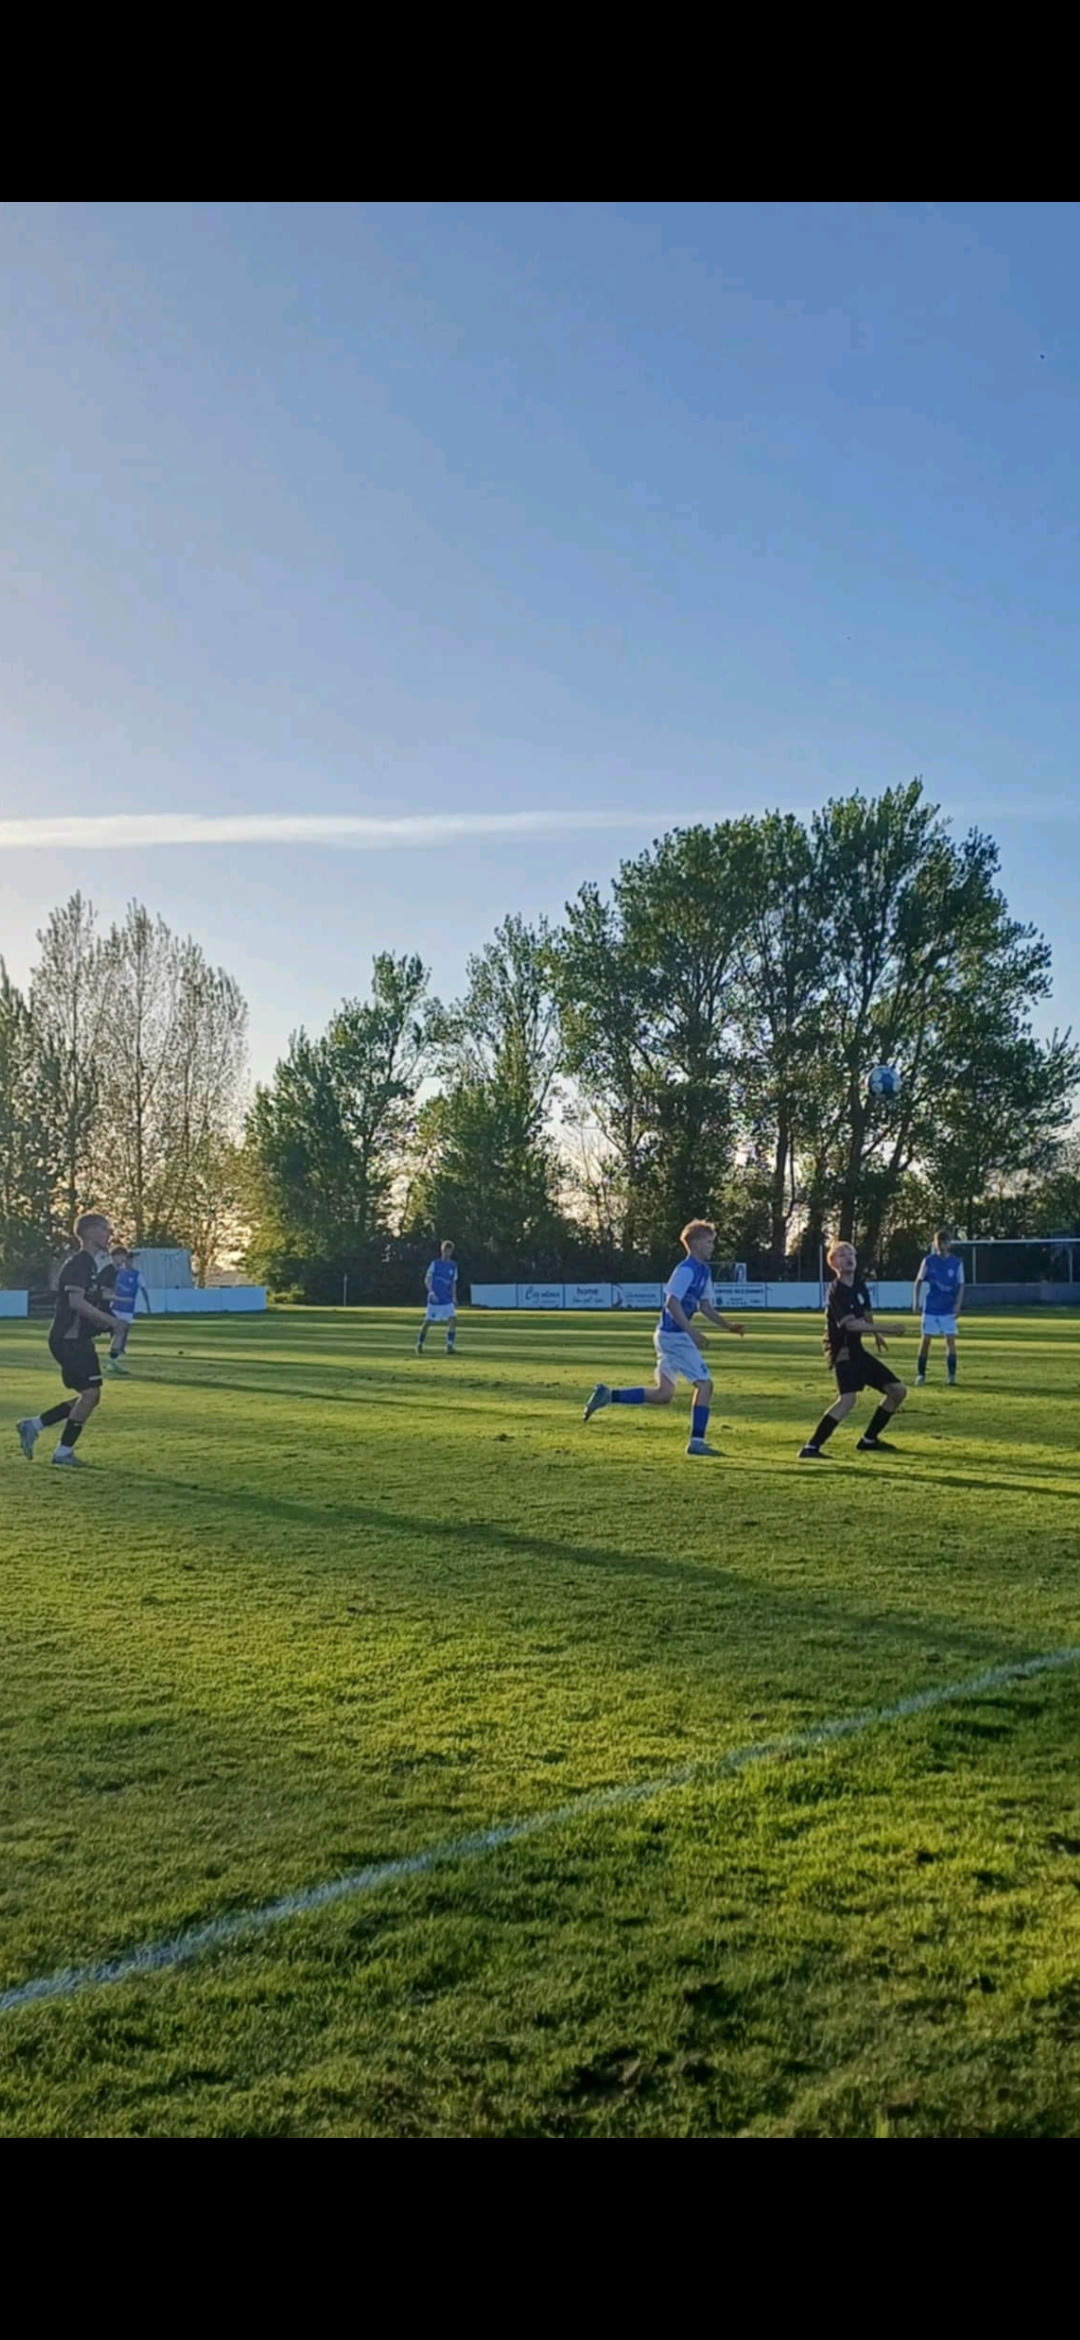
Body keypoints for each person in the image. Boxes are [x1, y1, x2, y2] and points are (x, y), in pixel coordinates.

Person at [583, 1219, 745, 1458]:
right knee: (705, 1385)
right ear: (696, 1243)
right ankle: (697, 1442)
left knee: (663, 1395)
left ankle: (608, 1395)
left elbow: (706, 1307)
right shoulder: (686, 1270)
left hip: (667, 1335)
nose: (712, 1246)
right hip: (674, 1336)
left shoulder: (703, 1271)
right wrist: (691, 1331)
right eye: (709, 1242)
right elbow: (671, 1303)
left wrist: (728, 1326)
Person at [16, 1213, 125, 1467]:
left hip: (76, 1339)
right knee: (90, 1394)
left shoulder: (90, 1265)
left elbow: (89, 1301)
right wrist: (112, 1323)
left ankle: (35, 1425)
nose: (108, 1233)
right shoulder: (80, 1263)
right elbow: (76, 1303)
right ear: (89, 1232)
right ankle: (62, 1452)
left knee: (89, 1396)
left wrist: (104, 1316)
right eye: (104, 1228)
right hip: (69, 1340)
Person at [799, 1240, 907, 1459]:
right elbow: (851, 1325)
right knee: (847, 1400)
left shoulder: (859, 1283)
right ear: (833, 1263)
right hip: (843, 1352)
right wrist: (887, 1329)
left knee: (897, 1391)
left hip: (857, 1351)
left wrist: (876, 1335)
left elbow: (866, 1312)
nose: (848, 1258)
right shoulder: (837, 1290)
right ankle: (811, 1447)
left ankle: (869, 1440)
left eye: (851, 1254)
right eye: (842, 1255)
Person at [913, 1230, 963, 1385]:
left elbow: (961, 1285)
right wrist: (916, 1302)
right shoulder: (929, 1261)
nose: (942, 1245)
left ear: (949, 1244)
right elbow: (919, 1280)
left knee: (950, 1340)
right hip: (931, 1308)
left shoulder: (956, 1263)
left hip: (948, 1309)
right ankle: (921, 1375)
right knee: (926, 1340)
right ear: (935, 1244)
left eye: (945, 1242)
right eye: (939, 1242)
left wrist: (958, 1305)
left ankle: (951, 1376)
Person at [101, 1244, 148, 1375]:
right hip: (99, 1308)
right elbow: (104, 1295)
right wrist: (122, 1299)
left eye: (125, 1258)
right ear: (114, 1257)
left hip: (110, 1308)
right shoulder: (110, 1272)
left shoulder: (120, 1272)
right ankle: (111, 1360)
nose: (124, 1261)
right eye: (122, 1258)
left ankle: (113, 1361)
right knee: (119, 1329)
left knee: (121, 1329)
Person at [417, 1240, 459, 1355]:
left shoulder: (453, 1265)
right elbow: (427, 1279)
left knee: (453, 1319)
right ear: (442, 1250)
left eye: (449, 1251)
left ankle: (449, 1346)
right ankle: (420, 1344)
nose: (447, 1253)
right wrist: (431, 1293)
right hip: (435, 1299)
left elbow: (453, 1282)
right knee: (428, 1322)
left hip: (447, 1298)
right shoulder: (435, 1264)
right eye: (445, 1251)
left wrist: (454, 1297)